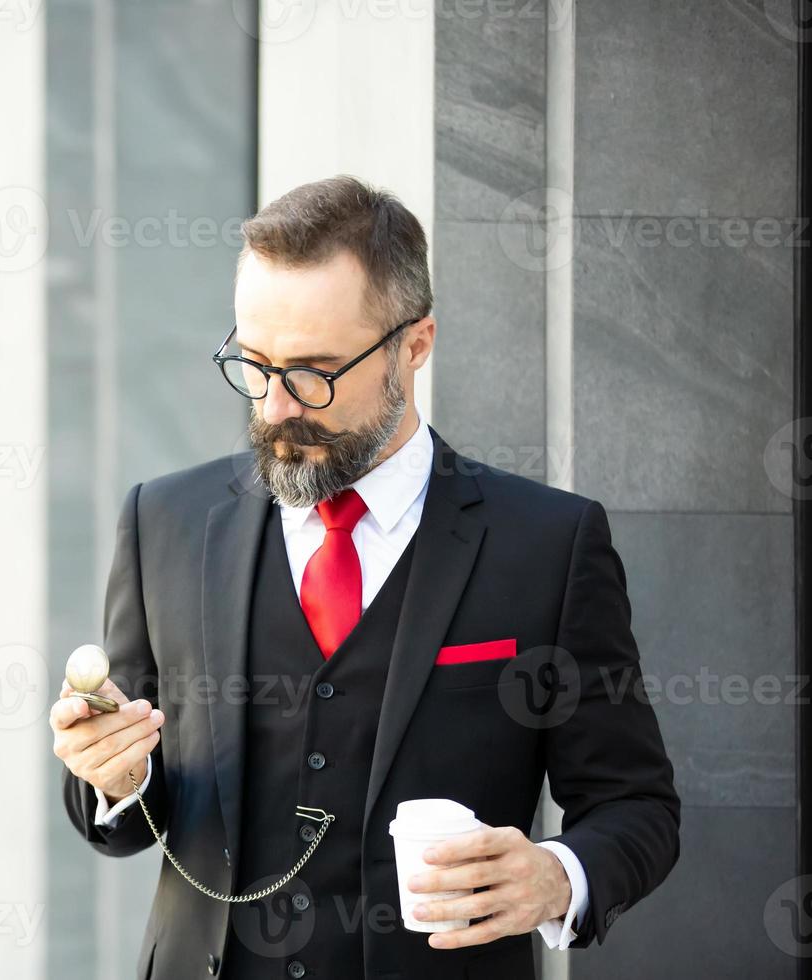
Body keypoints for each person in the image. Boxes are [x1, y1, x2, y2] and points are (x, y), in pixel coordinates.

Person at [50, 175, 679, 979]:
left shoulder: (549, 545)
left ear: (414, 345)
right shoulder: (163, 522)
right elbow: (128, 814)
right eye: (254, 364)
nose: (276, 408)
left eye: (313, 372)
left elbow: (637, 808)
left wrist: (557, 877)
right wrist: (114, 775)